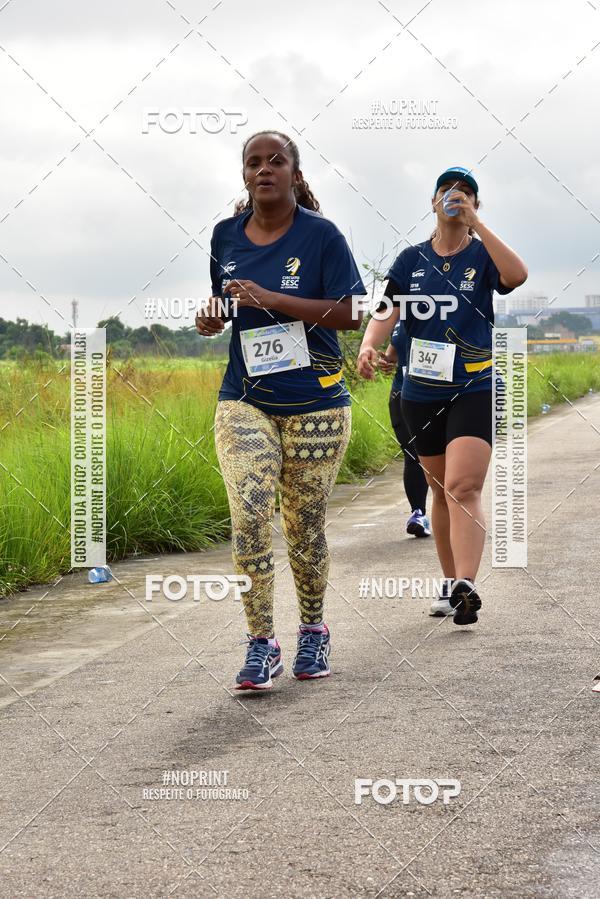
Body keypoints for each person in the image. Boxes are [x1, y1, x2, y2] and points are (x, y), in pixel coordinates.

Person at [196, 130, 367, 689]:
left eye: (276, 161)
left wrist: (274, 299)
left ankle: (313, 631)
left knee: (304, 525)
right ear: (243, 175)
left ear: (295, 173)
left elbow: (351, 314)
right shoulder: (225, 235)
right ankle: (260, 642)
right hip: (244, 398)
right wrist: (213, 315)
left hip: (316, 403)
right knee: (249, 515)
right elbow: (226, 300)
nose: (264, 169)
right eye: (254, 162)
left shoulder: (322, 237)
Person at [357, 166, 527, 624]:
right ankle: (451, 584)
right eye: (447, 191)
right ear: (433, 202)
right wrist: (371, 343)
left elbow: (518, 275)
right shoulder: (411, 260)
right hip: (421, 391)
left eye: (466, 192)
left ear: (475, 203)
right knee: (438, 487)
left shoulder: (483, 254)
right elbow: (385, 310)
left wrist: (478, 224)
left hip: (475, 384)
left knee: (463, 486)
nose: (455, 196)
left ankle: (467, 584)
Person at [378, 320, 431, 538]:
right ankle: (418, 513)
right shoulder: (398, 321)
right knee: (413, 454)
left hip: (438, 395)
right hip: (403, 394)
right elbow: (394, 352)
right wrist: (386, 361)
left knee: (440, 455)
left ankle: (453, 508)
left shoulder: (443, 310)